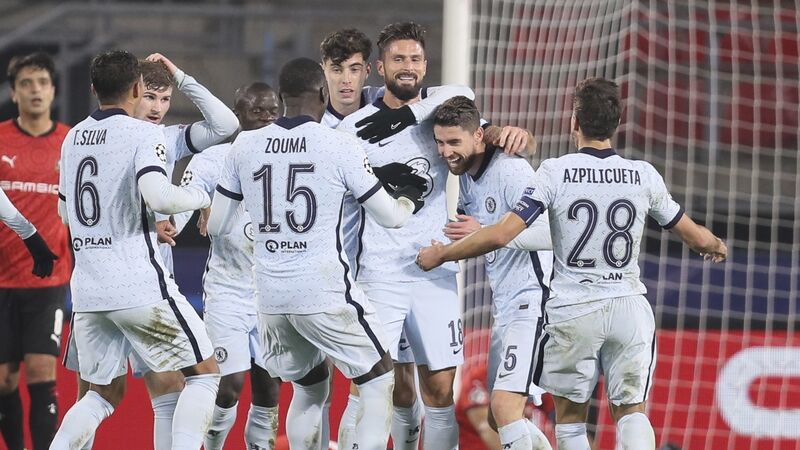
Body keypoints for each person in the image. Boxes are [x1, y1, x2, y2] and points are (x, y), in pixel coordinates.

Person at [416, 77, 728, 450]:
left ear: (574, 122)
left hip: (572, 309)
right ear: (617, 122)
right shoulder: (644, 174)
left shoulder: (555, 171)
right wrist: (715, 245)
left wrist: (443, 252)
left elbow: (504, 233)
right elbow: (693, 235)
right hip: (628, 306)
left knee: (569, 423)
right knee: (631, 412)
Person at [207, 57, 426, 450]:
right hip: (322, 289)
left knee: (309, 388)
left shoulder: (245, 145)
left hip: (270, 297)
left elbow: (218, 225)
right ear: (324, 93)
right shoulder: (338, 144)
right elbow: (391, 217)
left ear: (281, 97)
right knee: (379, 379)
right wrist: (409, 197)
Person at [336, 22, 534, 450]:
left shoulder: (440, 115)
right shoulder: (355, 128)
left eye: (414, 59)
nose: (407, 67)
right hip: (379, 274)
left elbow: (485, 135)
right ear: (380, 67)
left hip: (435, 273)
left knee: (440, 392)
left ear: (426, 65)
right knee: (374, 385)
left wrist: (515, 134)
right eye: (398, 59)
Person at [61, 52, 239, 450]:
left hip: (96, 283)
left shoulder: (82, 136)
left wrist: (182, 76)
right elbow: (156, 195)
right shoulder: (145, 138)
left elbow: (226, 124)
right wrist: (193, 201)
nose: (157, 107)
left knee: (150, 388)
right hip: (140, 282)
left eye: (165, 98)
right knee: (197, 374)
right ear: (134, 90)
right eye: (150, 96)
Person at [432, 96, 552, 450]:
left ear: (479, 135)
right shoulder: (468, 176)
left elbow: (551, 233)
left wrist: (485, 230)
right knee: (496, 418)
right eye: (440, 142)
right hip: (506, 306)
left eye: (454, 142)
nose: (446, 152)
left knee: (504, 408)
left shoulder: (511, 170)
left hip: (534, 300)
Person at [180, 82, 283, 450]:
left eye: (272, 111)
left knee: (269, 386)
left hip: (274, 290)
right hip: (228, 289)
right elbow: (188, 194)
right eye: (257, 111)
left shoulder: (290, 158)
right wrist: (199, 204)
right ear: (239, 115)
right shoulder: (214, 158)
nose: (267, 118)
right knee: (229, 384)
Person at [0, 51, 71, 450]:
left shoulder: (71, 142)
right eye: (26, 83)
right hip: (2, 279)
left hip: (48, 281)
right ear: (14, 92)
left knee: (42, 372)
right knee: (4, 380)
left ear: (54, 91)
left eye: (42, 82)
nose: (35, 90)